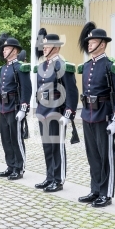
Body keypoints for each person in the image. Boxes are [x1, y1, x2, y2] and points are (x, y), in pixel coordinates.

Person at [77, 22, 115, 207]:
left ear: (103, 44)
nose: (89, 44)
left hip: (104, 116)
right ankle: (95, 189)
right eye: (89, 42)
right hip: (88, 115)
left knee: (106, 157)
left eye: (93, 42)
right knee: (93, 156)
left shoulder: (111, 65)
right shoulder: (88, 66)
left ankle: (106, 193)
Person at [33, 29, 78, 192]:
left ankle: (58, 179)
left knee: (56, 146)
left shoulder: (62, 65)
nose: (44, 48)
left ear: (57, 48)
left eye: (48, 46)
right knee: (47, 146)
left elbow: (71, 91)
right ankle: (50, 176)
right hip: (44, 111)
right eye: (44, 46)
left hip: (57, 111)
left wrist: (69, 113)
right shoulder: (43, 65)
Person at [0, 35, 32, 180]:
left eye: (7, 49)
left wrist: (24, 108)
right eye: (3, 49)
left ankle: (19, 167)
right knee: (6, 139)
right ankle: (10, 166)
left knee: (16, 139)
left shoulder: (19, 67)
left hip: (15, 107)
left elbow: (26, 88)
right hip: (4, 107)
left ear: (15, 51)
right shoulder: (4, 68)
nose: (4, 51)